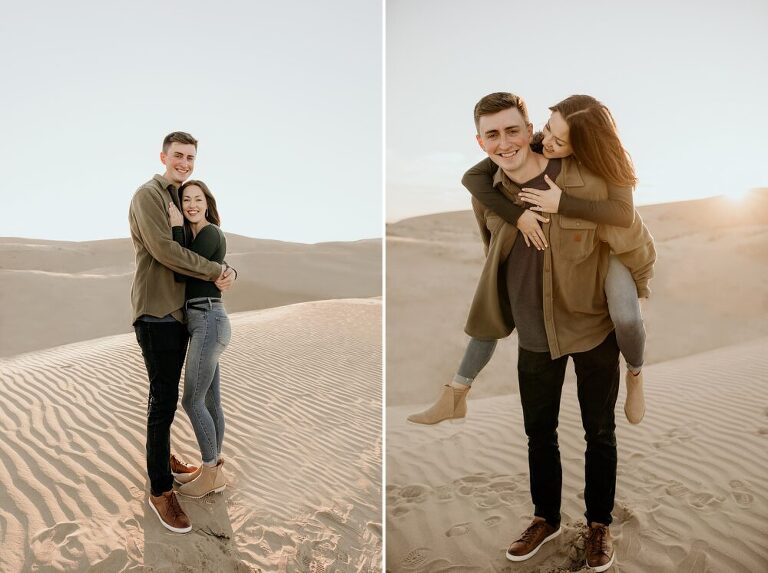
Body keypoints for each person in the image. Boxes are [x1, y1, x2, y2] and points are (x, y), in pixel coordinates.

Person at [412, 92, 655, 571]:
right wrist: (516, 215)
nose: (505, 143)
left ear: (530, 131)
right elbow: (493, 250)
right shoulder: (489, 189)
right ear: (480, 141)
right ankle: (546, 519)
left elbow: (626, 224)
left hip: (592, 328)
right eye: (492, 135)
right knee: (538, 435)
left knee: (599, 432)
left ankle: (599, 524)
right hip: (534, 333)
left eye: (513, 130)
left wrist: (633, 284)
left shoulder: (585, 176)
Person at [408, 94, 654, 428]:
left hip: (613, 250)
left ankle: (635, 374)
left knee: (627, 317)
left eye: (560, 141)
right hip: (558, 262)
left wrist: (561, 203)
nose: (547, 142)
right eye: (548, 128)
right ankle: (456, 395)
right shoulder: (536, 144)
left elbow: (623, 216)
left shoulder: (606, 165)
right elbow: (472, 178)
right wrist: (517, 216)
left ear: (582, 146)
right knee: (490, 309)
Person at [129, 131, 236, 534]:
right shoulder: (149, 195)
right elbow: (164, 250)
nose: (184, 163)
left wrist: (226, 268)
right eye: (178, 155)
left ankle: (168, 462)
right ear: (163, 156)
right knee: (163, 401)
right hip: (156, 311)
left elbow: (205, 242)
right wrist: (216, 270)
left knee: (176, 398)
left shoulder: (179, 198)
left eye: (190, 157)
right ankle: (160, 490)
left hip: (181, 316)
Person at [168, 180, 231, 498]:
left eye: (198, 199)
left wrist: (176, 228)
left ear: (208, 203)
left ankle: (210, 473)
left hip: (207, 319)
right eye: (186, 200)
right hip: (205, 321)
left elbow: (181, 270)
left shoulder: (208, 233)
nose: (192, 205)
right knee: (210, 401)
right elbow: (192, 266)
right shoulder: (199, 238)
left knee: (191, 400)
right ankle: (214, 468)